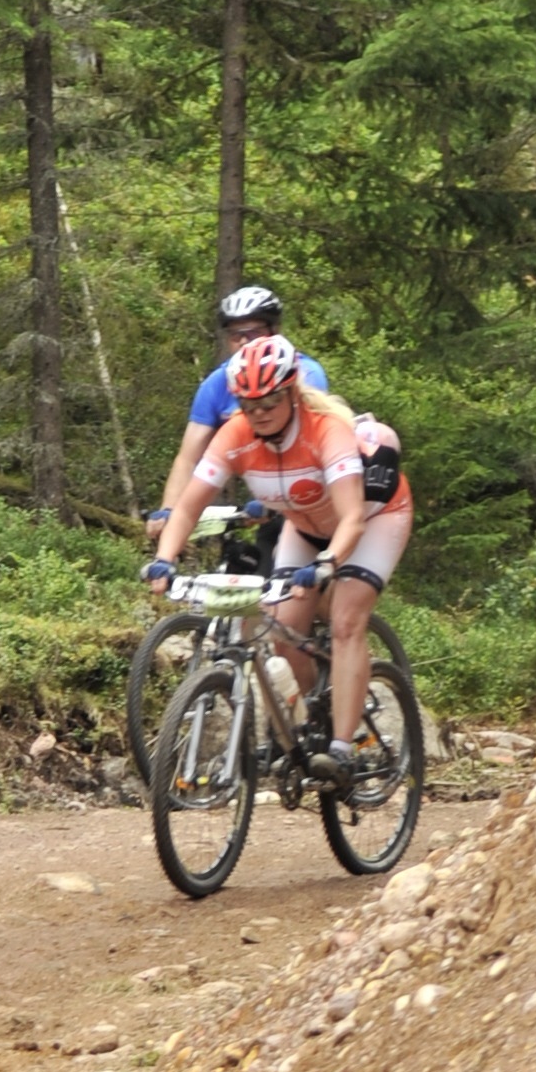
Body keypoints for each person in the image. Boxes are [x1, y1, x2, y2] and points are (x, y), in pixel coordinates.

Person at [148, 337, 414, 780]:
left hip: (373, 520)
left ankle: (343, 748)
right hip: (305, 527)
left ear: (292, 391)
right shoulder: (235, 435)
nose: (260, 412)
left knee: (346, 621)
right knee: (282, 628)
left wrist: (328, 564)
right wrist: (164, 559)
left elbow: (351, 519)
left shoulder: (325, 430)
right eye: (248, 404)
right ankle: (308, 726)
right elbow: (190, 506)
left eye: (270, 401)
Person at [150, 280, 327, 532]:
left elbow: (313, 443)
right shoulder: (216, 384)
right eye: (235, 335)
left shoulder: (304, 373)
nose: (244, 341)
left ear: (275, 331)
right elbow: (188, 459)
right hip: (261, 491)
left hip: (309, 489)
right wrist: (167, 511)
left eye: (253, 333)